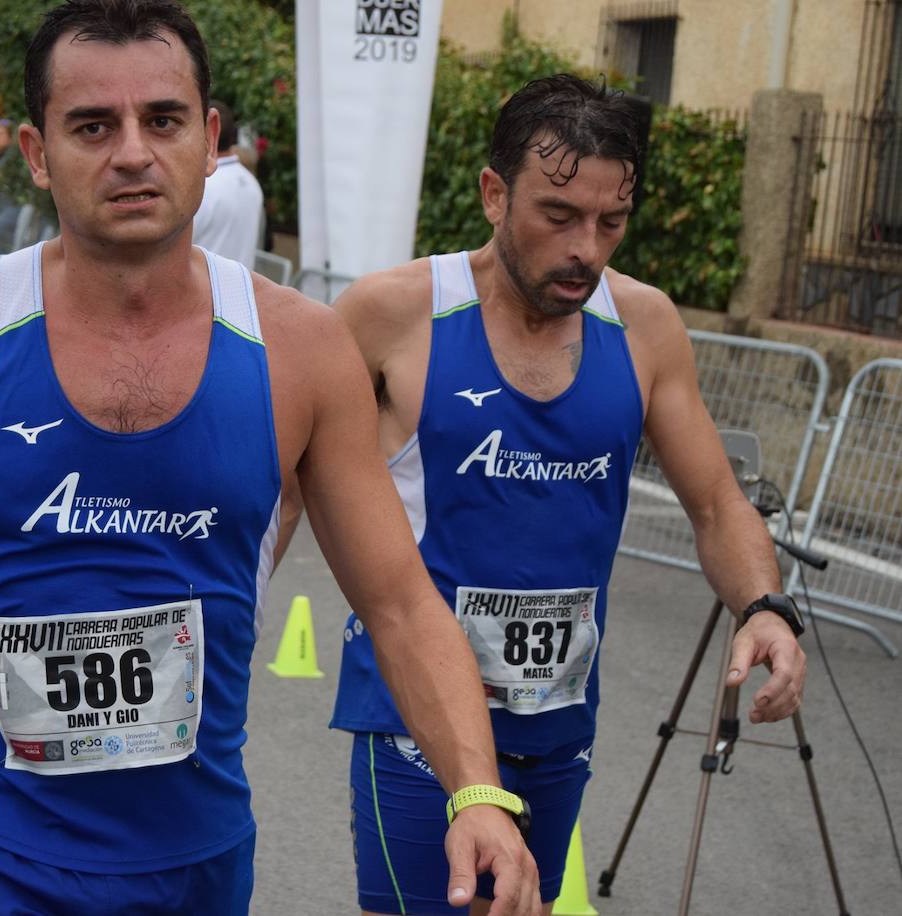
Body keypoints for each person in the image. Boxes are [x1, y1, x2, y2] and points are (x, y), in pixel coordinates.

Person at [0, 3, 539, 916]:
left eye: (161, 121)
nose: (131, 152)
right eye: (92, 125)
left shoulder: (302, 351)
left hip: (191, 861)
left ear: (206, 141)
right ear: (37, 154)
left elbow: (397, 599)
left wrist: (476, 792)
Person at [312, 74, 808, 916]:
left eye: (611, 222)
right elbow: (286, 483)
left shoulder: (645, 327)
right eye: (559, 216)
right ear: (495, 194)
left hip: (557, 729)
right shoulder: (391, 315)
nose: (587, 246)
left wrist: (764, 604)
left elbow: (719, 503)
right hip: (413, 732)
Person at [191, 99, 263, 270]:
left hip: (204, 292)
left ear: (210, 133)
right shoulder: (251, 182)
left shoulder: (204, 186)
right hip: (239, 290)